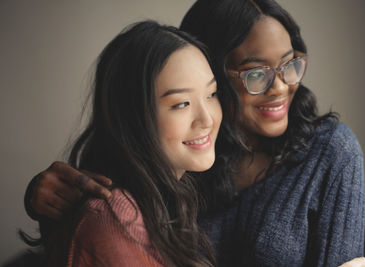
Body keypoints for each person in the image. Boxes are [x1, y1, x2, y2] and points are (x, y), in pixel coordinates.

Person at [24, 0, 365, 266]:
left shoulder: (330, 151)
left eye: (289, 64)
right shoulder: (184, 157)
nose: (280, 87)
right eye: (255, 73)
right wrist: (51, 206)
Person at [27, 20, 226, 266]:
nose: (207, 119)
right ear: (133, 118)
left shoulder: (173, 193)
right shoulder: (116, 217)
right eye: (181, 104)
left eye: (212, 94)